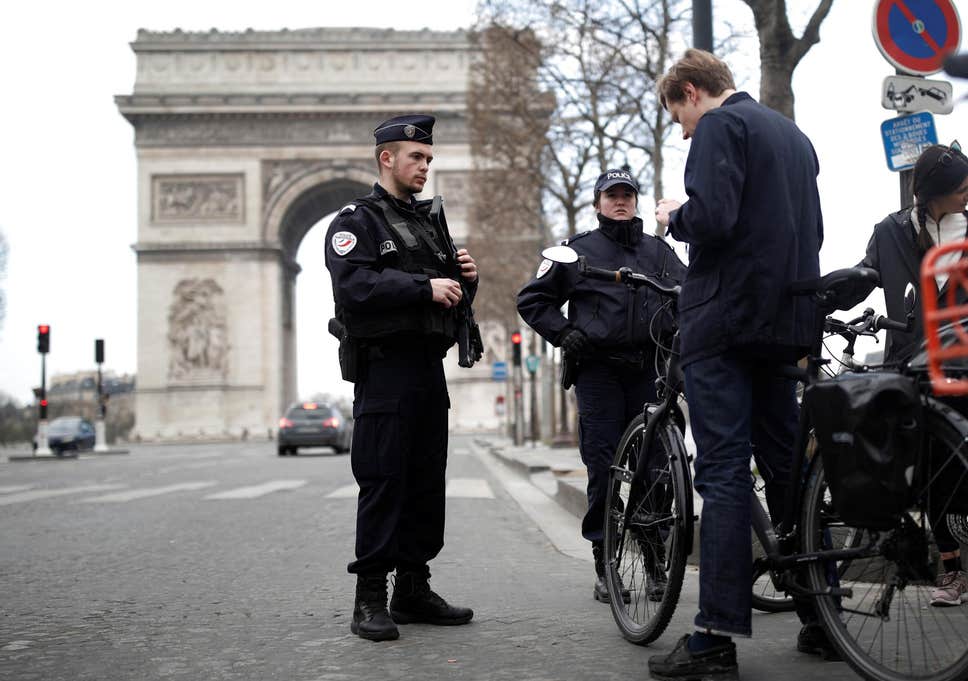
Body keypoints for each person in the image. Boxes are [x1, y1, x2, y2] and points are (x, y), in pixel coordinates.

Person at [650, 49, 826, 679]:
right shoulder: (794, 136)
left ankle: (714, 638)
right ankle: (822, 616)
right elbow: (814, 230)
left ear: (691, 91)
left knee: (722, 472)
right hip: (785, 322)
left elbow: (714, 217)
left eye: (679, 118)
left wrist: (675, 216)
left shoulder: (721, 126)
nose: (684, 132)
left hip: (725, 323)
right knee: (786, 470)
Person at [325, 114, 477, 642]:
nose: (425, 167)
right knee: (384, 480)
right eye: (417, 157)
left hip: (427, 370)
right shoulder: (356, 222)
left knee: (425, 482)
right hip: (384, 369)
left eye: (429, 159)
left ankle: (412, 589)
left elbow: (448, 299)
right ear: (386, 158)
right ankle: (369, 597)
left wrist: (464, 282)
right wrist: (423, 287)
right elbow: (354, 287)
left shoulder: (431, 224)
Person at [517, 168, 686, 603]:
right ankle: (605, 564)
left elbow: (689, 298)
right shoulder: (576, 251)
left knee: (657, 471)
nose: (620, 201)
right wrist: (564, 334)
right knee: (603, 469)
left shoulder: (660, 252)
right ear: (598, 203)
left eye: (627, 194)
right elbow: (532, 300)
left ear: (635, 200)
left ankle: (655, 563)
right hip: (598, 374)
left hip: (649, 372)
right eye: (612, 195)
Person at [849, 141, 968, 607]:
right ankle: (952, 571)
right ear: (934, 192)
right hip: (913, 370)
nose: (967, 193)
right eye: (961, 187)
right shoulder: (890, 232)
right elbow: (863, 276)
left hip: (963, 364)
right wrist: (823, 295)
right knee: (931, 469)